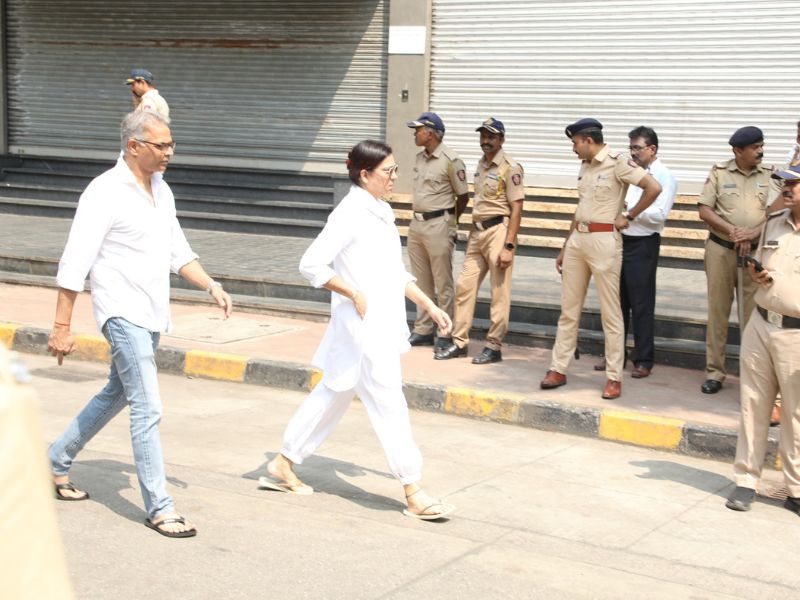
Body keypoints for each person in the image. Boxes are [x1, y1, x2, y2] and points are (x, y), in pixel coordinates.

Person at [46, 110, 232, 538]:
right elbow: (75, 261)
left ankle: (56, 458)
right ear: (133, 146)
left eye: (171, 144)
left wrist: (211, 284)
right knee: (148, 406)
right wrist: (61, 326)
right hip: (120, 311)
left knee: (117, 393)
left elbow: (178, 251)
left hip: (151, 312)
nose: (169, 153)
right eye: (161, 145)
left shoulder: (161, 190)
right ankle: (160, 508)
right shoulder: (104, 192)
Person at [261, 140, 455, 520]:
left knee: (332, 395)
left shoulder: (380, 211)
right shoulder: (349, 213)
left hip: (377, 326)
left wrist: (429, 305)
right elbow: (311, 264)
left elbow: (393, 273)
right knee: (389, 403)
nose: (394, 177)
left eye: (395, 170)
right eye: (388, 171)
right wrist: (352, 291)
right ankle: (413, 490)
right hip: (363, 332)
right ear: (364, 174)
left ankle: (284, 462)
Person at [540, 118, 662, 399]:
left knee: (611, 312)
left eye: (575, 143)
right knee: (569, 309)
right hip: (578, 240)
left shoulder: (618, 162)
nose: (573, 149)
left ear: (588, 140)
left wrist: (629, 215)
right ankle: (558, 368)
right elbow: (581, 207)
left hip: (605, 240)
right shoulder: (584, 165)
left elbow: (654, 188)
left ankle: (613, 376)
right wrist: (565, 245)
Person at [724, 164, 800, 514]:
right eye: (785, 182)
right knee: (753, 403)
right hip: (761, 323)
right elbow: (759, 267)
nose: (787, 188)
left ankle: (795, 487)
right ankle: (746, 480)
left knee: (796, 414)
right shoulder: (774, 223)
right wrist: (758, 274)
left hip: (796, 334)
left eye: (795, 183)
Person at [697, 126, 781, 395]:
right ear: (738, 150)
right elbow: (704, 210)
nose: (761, 151)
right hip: (720, 250)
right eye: (755, 147)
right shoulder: (719, 172)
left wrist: (753, 233)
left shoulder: (771, 175)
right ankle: (714, 372)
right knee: (718, 312)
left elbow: (776, 212)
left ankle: (752, 375)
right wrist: (733, 231)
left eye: (761, 146)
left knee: (752, 316)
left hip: (754, 254)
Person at [435, 118, 524, 365]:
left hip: (498, 232)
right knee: (464, 286)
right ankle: (459, 342)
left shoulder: (511, 167)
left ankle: (493, 346)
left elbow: (517, 209)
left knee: (499, 293)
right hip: (477, 232)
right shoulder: (481, 164)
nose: (486, 141)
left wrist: (509, 246)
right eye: (483, 136)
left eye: (491, 137)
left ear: (502, 139)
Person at [594, 126, 677, 378]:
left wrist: (631, 212)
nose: (633, 152)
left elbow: (659, 214)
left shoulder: (664, 176)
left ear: (652, 149)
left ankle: (644, 359)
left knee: (641, 303)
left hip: (643, 244)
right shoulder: (630, 171)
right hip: (619, 241)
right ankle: (615, 356)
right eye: (630, 147)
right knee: (616, 303)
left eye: (637, 148)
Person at [405, 112, 469, 351]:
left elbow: (463, 196)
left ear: (430, 133)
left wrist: (450, 221)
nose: (415, 133)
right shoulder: (419, 158)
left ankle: (445, 331)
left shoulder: (451, 160)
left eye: (418, 130)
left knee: (443, 283)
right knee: (420, 280)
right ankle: (422, 329)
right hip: (417, 224)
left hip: (439, 224)